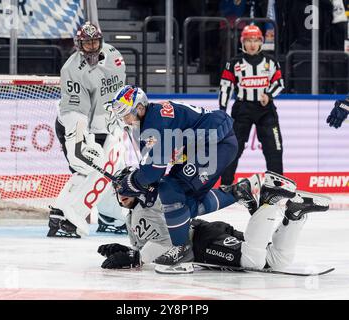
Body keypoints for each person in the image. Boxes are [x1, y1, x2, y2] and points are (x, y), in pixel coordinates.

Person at [107, 85, 239, 265]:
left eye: (126, 114)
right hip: (199, 145)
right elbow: (153, 167)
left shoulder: (155, 123)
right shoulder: (148, 121)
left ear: (139, 108)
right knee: (181, 204)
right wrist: (146, 182)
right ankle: (239, 192)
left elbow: (153, 170)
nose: (125, 119)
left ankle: (182, 249)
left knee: (172, 191)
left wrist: (131, 183)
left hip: (216, 142)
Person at [98, 170, 330, 271]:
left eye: (125, 188)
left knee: (252, 261)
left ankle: (269, 200)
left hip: (202, 242)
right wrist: (131, 250)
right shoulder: (135, 214)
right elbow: (159, 240)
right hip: (205, 235)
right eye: (118, 190)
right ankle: (295, 215)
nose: (121, 194)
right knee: (275, 261)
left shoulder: (149, 204)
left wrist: (136, 257)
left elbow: (166, 244)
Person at [47, 21, 128, 238]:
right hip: (75, 124)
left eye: (95, 42)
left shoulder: (114, 54)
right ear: (78, 44)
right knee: (87, 166)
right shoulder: (71, 69)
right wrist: (81, 142)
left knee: (115, 168)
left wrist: (119, 119)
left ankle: (109, 216)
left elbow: (116, 93)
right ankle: (64, 215)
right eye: (87, 43)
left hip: (104, 124)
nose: (92, 47)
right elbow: (74, 111)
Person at [219, 24, 284, 186]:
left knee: (274, 149)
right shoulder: (234, 63)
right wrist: (222, 111)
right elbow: (225, 87)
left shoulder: (271, 61)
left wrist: (268, 95)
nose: (252, 44)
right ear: (243, 42)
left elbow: (280, 83)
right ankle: (226, 186)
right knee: (233, 148)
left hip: (266, 110)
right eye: (248, 40)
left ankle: (276, 187)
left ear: (261, 42)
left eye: (256, 40)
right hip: (242, 109)